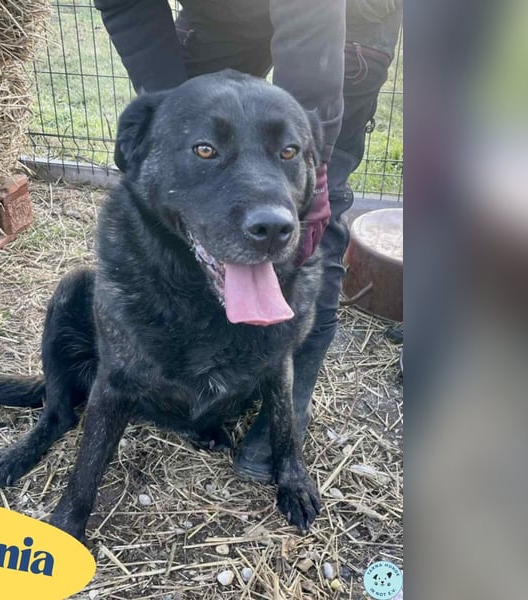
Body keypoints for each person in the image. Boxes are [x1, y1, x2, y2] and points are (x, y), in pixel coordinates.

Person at [94, 0, 403, 481]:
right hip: (219, 14)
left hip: (342, 18)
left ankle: (291, 396)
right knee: (201, 155)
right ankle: (207, 361)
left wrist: (316, 168)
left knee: (316, 218)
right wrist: (172, 111)